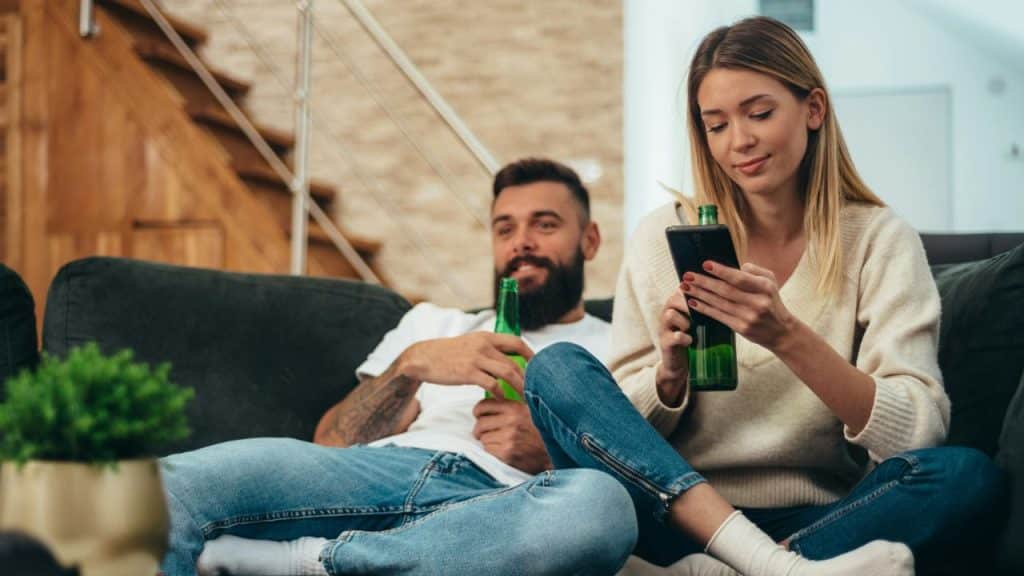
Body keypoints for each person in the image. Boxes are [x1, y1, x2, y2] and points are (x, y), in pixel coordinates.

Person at [523, 16, 1006, 576]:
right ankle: (775, 569)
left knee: (966, 475)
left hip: (824, 514)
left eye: (759, 113)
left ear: (814, 109)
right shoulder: (663, 236)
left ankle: (734, 568)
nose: (739, 142)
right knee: (556, 368)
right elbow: (613, 436)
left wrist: (787, 336)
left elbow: (919, 432)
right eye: (716, 124)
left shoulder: (878, 239)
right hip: (674, 516)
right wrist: (668, 377)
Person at [159, 158, 639, 576]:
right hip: (378, 471)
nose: (522, 243)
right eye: (505, 228)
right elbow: (333, 441)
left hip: (503, 506)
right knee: (160, 487)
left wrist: (549, 454)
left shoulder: (623, 345)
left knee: (603, 508)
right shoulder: (434, 322)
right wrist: (411, 367)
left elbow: (648, 488)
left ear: (590, 240)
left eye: (545, 225)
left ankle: (313, 561)